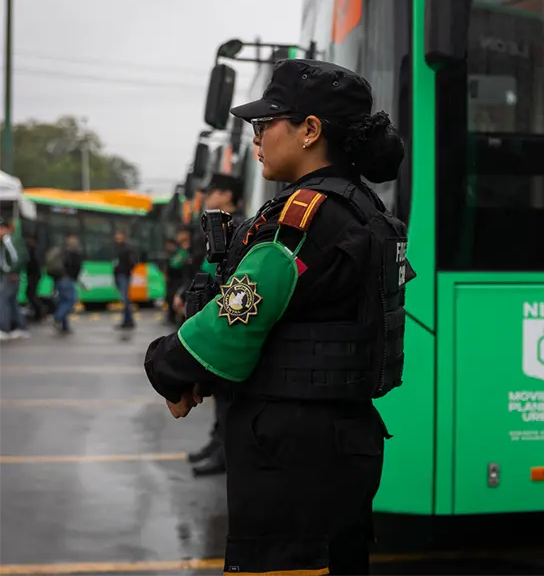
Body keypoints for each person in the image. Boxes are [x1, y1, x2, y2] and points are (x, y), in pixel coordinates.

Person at [143, 58, 414, 575]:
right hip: (336, 443)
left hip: (292, 456)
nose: (256, 137)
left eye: (266, 123)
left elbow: (230, 324)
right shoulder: (363, 209)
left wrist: (167, 367)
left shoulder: (304, 219)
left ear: (310, 130)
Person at [186, 172, 246, 477]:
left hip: (225, 317)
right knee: (218, 391)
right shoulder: (219, 225)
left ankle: (224, 451)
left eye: (213, 192)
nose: (207, 197)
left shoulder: (241, 227)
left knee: (226, 393)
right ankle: (217, 442)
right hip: (211, 311)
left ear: (227, 195)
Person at [0, 217, 30, 341]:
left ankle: (4, 329)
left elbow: (18, 257)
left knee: (3, 301)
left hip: (10, 276)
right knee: (12, 301)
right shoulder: (4, 242)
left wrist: (14, 271)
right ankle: (20, 327)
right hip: (8, 275)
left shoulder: (10, 241)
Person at [49, 234, 84, 335]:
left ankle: (65, 327)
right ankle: (57, 317)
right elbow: (77, 268)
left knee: (62, 302)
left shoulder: (61, 252)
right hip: (68, 281)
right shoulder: (74, 254)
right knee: (71, 301)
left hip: (58, 280)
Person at [112, 230, 137, 330]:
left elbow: (133, 262)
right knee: (124, 299)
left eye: (119, 236)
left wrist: (126, 270)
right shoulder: (118, 247)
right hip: (119, 275)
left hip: (124, 275)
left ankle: (128, 320)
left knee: (125, 299)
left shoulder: (127, 248)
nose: (117, 238)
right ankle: (127, 320)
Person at [24, 234, 44, 324]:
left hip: (34, 275)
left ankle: (39, 313)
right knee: (30, 294)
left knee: (31, 294)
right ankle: (37, 312)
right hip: (32, 275)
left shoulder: (34, 250)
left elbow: (34, 263)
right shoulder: (33, 249)